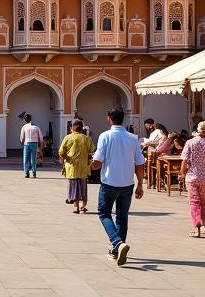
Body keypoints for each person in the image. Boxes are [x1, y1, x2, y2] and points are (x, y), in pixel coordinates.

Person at [90, 107, 145, 266]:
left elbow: (98, 163)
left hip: (109, 182)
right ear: (124, 119)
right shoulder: (133, 138)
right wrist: (140, 184)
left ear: (109, 118)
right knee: (122, 216)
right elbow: (140, 163)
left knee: (104, 213)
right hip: (127, 183)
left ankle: (117, 243)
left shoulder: (105, 136)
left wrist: (92, 165)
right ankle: (117, 249)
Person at [179, 121, 205, 237]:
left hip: (193, 177)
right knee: (204, 201)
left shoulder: (190, 143)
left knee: (194, 202)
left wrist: (182, 173)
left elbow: (185, 161)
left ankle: (197, 226)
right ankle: (204, 224)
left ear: (198, 130)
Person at [58, 118, 94, 213]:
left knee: (73, 186)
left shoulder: (68, 138)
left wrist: (66, 158)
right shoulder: (87, 138)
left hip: (71, 167)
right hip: (83, 168)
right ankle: (83, 205)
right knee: (82, 186)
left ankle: (75, 206)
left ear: (72, 128)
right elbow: (92, 152)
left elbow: (61, 152)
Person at [20, 113, 44, 178]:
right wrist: (41, 146)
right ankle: (33, 172)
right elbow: (41, 138)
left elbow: (22, 138)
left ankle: (26, 172)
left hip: (27, 144)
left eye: (25, 119)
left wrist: (22, 145)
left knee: (26, 159)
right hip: (34, 144)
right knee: (33, 159)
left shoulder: (24, 127)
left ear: (25, 120)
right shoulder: (36, 127)